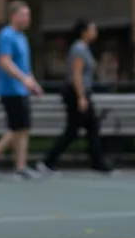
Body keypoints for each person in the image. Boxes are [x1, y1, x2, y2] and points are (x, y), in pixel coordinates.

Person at [0, 0, 43, 181]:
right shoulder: (6, 35)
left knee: (23, 128)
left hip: (22, 90)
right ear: (13, 16)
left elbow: (24, 66)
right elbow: (4, 62)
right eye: (23, 15)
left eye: (28, 15)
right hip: (10, 90)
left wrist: (33, 83)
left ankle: (20, 167)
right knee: (17, 127)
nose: (27, 18)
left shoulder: (22, 37)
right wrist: (23, 80)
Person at [38, 18, 113, 175]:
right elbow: (76, 75)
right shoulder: (79, 49)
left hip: (82, 92)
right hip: (76, 93)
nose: (95, 32)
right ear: (84, 32)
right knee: (73, 130)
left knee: (91, 127)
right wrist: (81, 97)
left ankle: (97, 162)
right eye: (92, 29)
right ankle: (48, 161)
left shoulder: (84, 48)